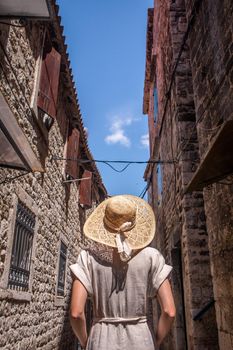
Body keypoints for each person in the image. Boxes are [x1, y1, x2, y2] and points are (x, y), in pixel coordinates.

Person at [70, 195, 176, 350]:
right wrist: (156, 341)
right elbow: (169, 312)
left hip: (100, 341)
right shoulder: (152, 257)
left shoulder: (88, 258)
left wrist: (86, 342)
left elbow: (76, 313)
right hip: (141, 341)